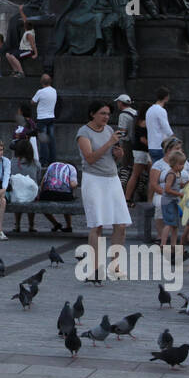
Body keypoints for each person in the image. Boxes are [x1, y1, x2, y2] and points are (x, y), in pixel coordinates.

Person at [77, 100, 130, 281]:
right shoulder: (84, 132)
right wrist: (109, 144)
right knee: (97, 224)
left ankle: (115, 266)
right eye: (102, 113)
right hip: (93, 180)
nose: (106, 117)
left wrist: (118, 154)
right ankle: (95, 267)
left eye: (108, 114)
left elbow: (110, 156)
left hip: (112, 178)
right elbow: (90, 158)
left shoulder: (108, 130)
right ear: (93, 114)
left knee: (121, 224)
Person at [31, 73, 57, 164]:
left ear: (41, 82)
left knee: (43, 140)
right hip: (51, 117)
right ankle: (52, 160)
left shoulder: (40, 92)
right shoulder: (54, 91)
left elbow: (33, 102)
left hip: (42, 118)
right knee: (51, 140)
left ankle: (44, 160)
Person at [144, 88, 173, 163]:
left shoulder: (149, 110)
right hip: (161, 146)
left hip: (151, 146)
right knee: (164, 170)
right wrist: (174, 138)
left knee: (156, 170)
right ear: (166, 97)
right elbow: (167, 129)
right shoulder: (161, 110)